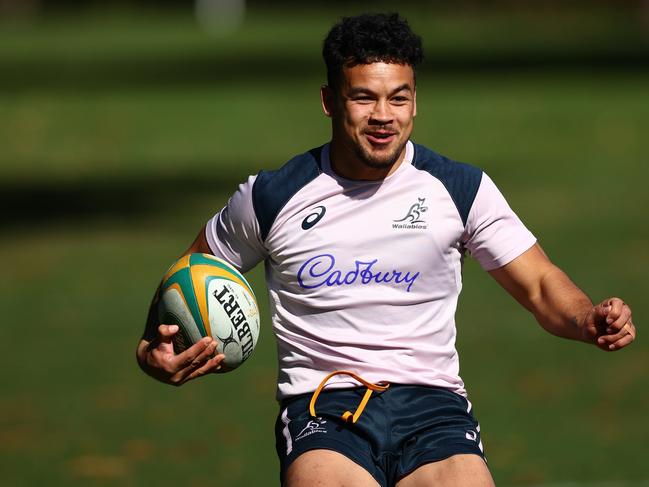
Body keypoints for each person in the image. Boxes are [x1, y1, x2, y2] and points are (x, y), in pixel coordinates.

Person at [136, 13, 637, 487]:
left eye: (398, 99)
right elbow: (191, 274)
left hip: (435, 408)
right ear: (330, 100)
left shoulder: (459, 188)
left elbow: (540, 283)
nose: (383, 117)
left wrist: (587, 318)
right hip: (323, 410)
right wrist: (153, 350)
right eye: (364, 98)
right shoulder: (272, 197)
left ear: (415, 101)